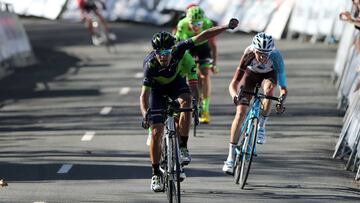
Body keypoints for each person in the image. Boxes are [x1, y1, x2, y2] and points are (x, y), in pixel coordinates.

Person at [140, 18, 239, 192]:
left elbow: (204, 35)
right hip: (157, 91)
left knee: (188, 102)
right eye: (159, 52)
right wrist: (145, 114)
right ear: (155, 53)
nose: (163, 56)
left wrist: (225, 27)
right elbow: (144, 95)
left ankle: (183, 147)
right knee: (156, 132)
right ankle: (156, 173)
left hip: (175, 85)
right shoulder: (150, 64)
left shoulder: (179, 50)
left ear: (173, 49)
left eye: (167, 51)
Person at [222, 32, 288, 174]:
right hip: (250, 76)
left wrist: (281, 99)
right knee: (240, 114)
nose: (263, 57)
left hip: (268, 77)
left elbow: (283, 87)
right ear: (254, 50)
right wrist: (235, 96)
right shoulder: (248, 54)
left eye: (266, 54)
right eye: (260, 53)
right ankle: (230, 157)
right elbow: (233, 83)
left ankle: (261, 126)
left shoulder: (276, 57)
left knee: (269, 91)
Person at [175, 6, 218, 124]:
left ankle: (205, 108)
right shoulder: (182, 24)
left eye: (199, 24)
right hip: (188, 46)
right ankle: (191, 97)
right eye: (192, 24)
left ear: (203, 21)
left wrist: (214, 63)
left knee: (205, 74)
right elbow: (178, 45)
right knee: (187, 72)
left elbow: (213, 45)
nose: (195, 27)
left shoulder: (208, 23)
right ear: (187, 21)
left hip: (203, 47)